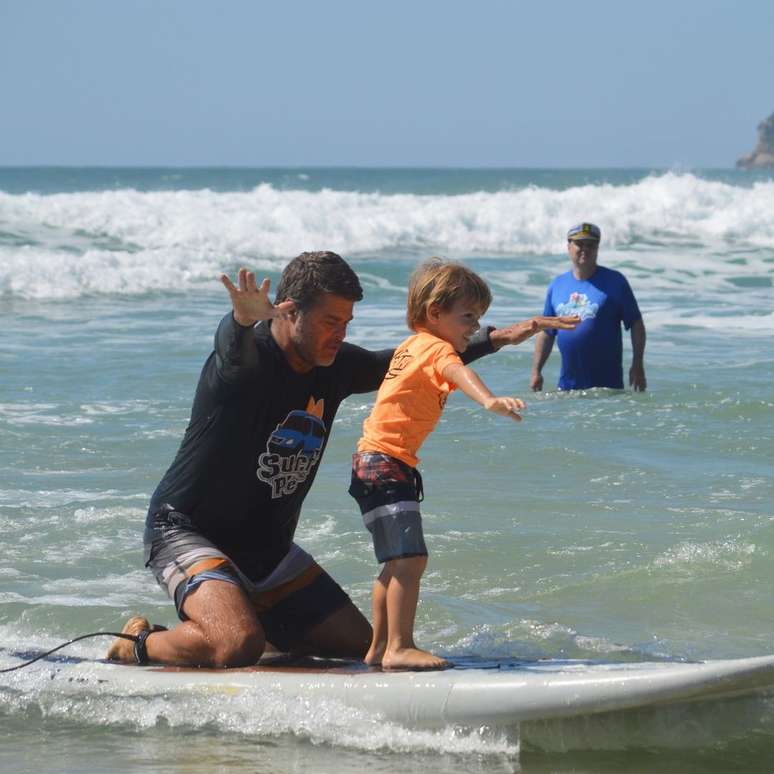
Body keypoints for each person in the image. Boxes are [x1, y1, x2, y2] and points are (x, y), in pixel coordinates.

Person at [107, 251, 578, 668]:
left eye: (348, 322)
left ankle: (249, 618)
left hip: (266, 549)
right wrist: (240, 321)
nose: (342, 333)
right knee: (236, 644)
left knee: (359, 646)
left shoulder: (335, 365)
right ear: (289, 312)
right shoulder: (248, 362)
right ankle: (140, 642)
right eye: (332, 321)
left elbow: (407, 362)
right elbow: (232, 348)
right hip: (186, 530)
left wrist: (495, 339)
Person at [349, 259, 529, 670]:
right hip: (387, 462)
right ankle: (399, 647)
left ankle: (378, 649)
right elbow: (455, 369)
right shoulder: (435, 348)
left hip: (373, 461)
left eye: (478, 318)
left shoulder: (410, 345)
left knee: (395, 561)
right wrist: (488, 400)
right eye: (468, 317)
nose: (474, 326)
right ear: (435, 313)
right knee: (411, 560)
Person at [530, 223, 647, 392]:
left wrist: (637, 364)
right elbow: (547, 332)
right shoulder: (557, 285)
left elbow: (636, 323)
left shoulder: (615, 282)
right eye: (579, 244)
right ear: (568, 246)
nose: (585, 249)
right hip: (567, 388)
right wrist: (536, 371)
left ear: (598, 248)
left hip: (608, 389)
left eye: (591, 245)